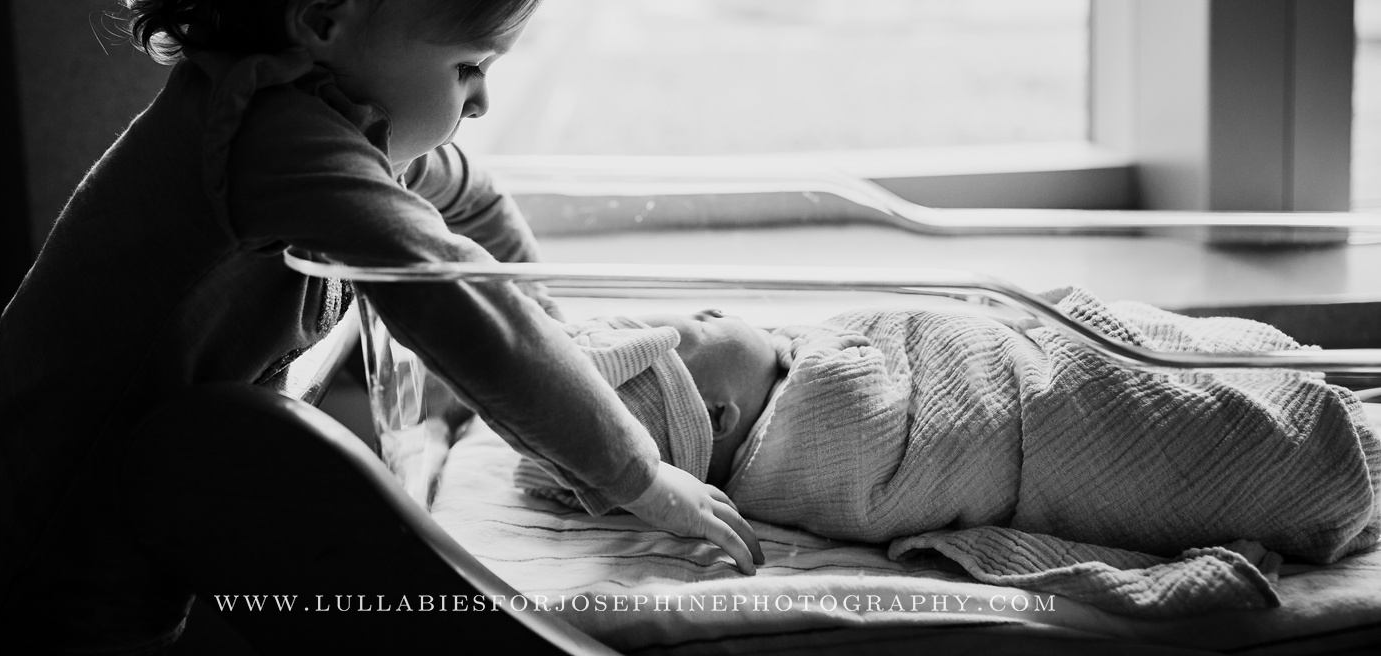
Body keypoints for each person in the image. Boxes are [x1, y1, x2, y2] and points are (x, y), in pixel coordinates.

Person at [0, 0, 761, 652]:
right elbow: (447, 289)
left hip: (79, 545)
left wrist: (557, 335)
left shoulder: (325, 121)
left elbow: (465, 197)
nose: (482, 103)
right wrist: (635, 472)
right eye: (469, 68)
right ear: (324, 19)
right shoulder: (272, 135)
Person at [524, 295, 1379, 587]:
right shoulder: (812, 433)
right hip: (1056, 428)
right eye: (705, 322)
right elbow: (911, 407)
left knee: (1206, 362)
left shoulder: (769, 408)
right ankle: (1338, 447)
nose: (722, 312)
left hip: (1043, 368)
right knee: (1224, 430)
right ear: (718, 419)